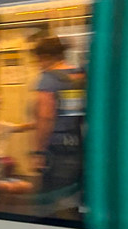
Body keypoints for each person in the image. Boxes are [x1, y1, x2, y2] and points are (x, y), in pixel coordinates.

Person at [30, 35, 86, 219]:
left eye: (38, 59)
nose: (38, 64)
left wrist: (38, 152)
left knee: (48, 204)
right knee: (74, 199)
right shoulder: (79, 75)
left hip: (55, 147)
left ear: (45, 56)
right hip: (78, 144)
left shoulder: (48, 79)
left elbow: (46, 117)